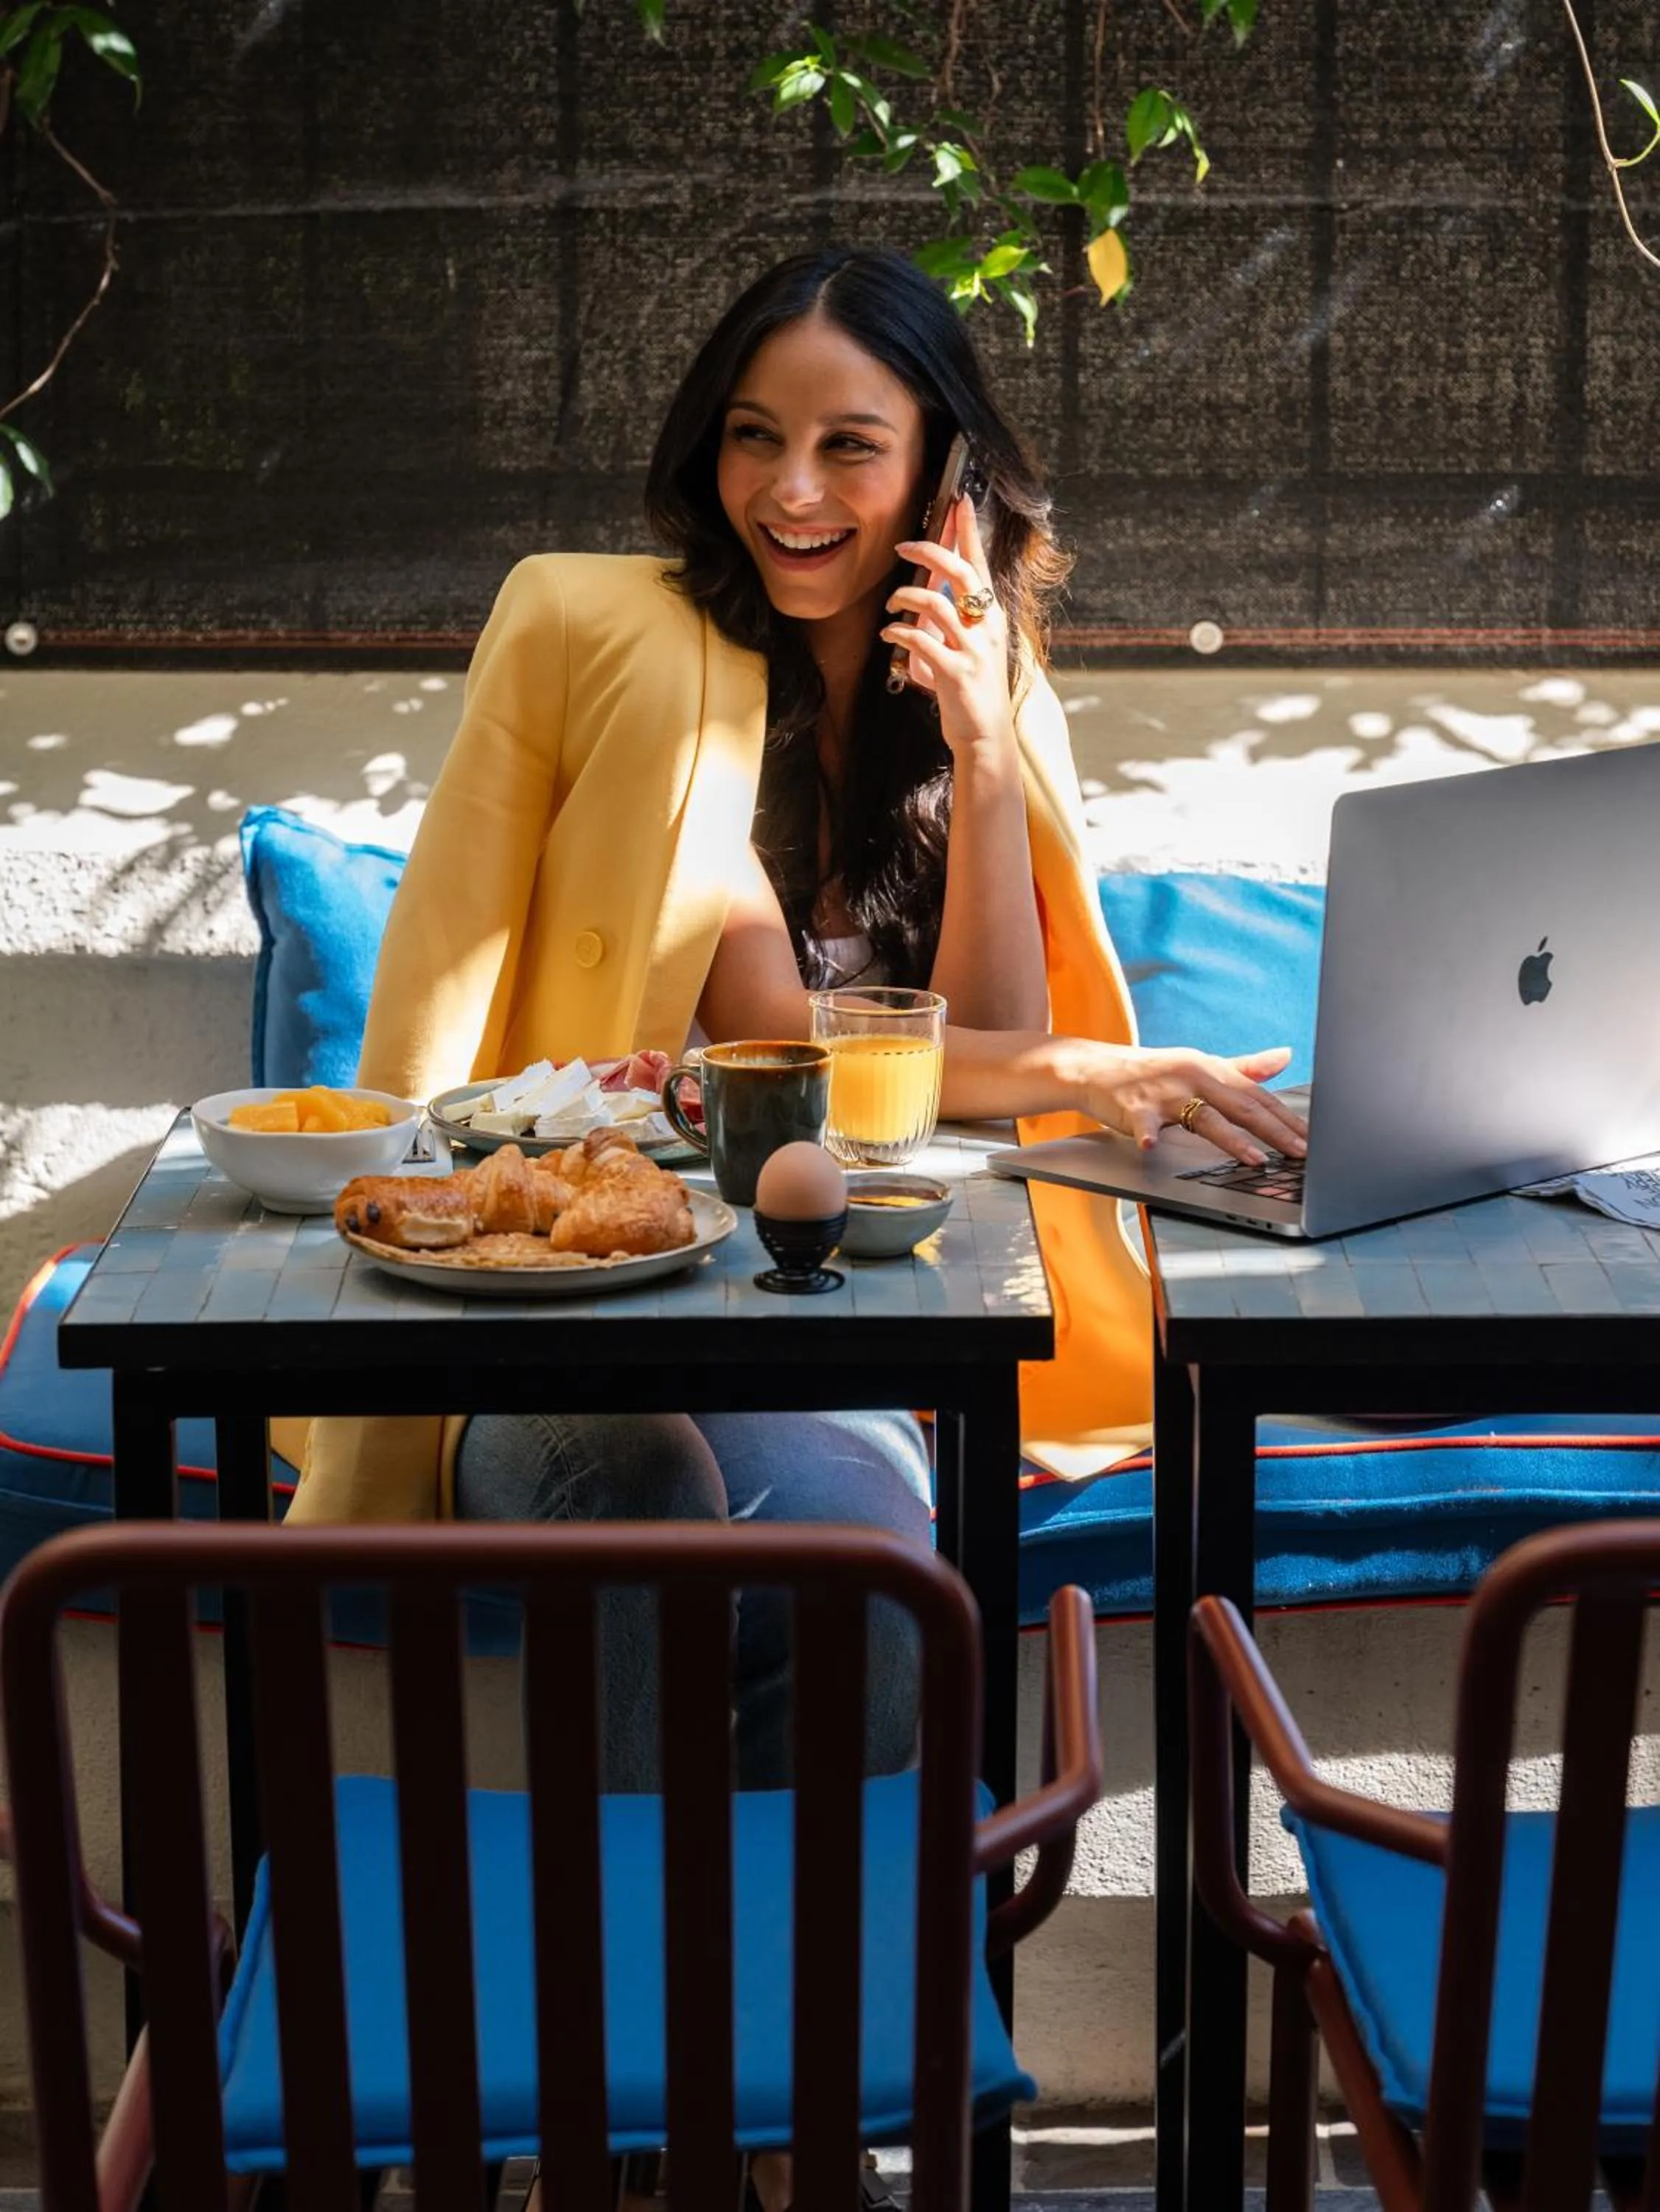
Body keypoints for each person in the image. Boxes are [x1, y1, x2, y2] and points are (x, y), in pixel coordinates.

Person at [273, 247, 1303, 1787]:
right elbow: (791, 1057)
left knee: (866, 1602)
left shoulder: (981, 682)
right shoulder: (627, 651)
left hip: (803, 1318)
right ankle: (636, 1996)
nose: (791, 489)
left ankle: (829, 2014)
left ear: (943, 474)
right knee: (641, 1505)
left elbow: (978, 1055)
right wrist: (1100, 1070)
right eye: (755, 435)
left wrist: (985, 751)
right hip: (562, 1313)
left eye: (848, 445)